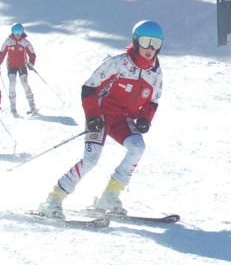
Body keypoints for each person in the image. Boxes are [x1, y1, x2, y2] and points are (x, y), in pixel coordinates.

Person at [39, 20, 164, 218]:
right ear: (136, 41)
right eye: (147, 42)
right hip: (101, 116)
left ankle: (110, 195)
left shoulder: (155, 72)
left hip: (122, 120)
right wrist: (92, 116)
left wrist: (145, 119)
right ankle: (53, 199)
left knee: (138, 147)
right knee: (91, 160)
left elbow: (153, 101)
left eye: (156, 43)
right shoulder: (119, 63)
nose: (151, 48)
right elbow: (89, 87)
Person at [0, 22, 38, 117]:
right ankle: (13, 109)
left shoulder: (25, 42)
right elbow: (2, 53)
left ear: (22, 32)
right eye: (15, 32)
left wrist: (31, 63)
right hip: (11, 66)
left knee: (25, 83)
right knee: (12, 84)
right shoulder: (8, 41)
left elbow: (32, 54)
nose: (18, 34)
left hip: (22, 65)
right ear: (12, 32)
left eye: (20, 32)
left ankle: (32, 107)